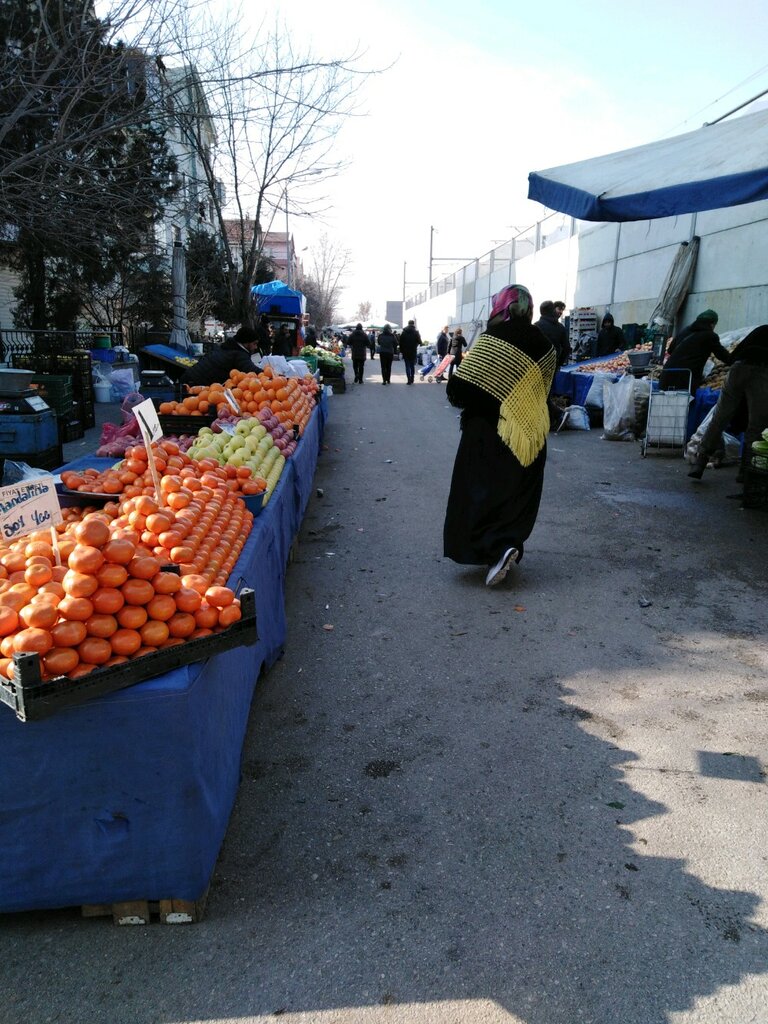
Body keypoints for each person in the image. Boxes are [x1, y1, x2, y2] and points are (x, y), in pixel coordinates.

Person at [443, 284, 557, 587]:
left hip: (489, 435)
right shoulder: (545, 346)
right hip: (531, 434)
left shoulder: (492, 341)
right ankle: (508, 545)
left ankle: (495, 549)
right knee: (517, 494)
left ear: (501, 307)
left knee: (480, 494)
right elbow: (543, 392)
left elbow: (459, 390)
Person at [688, 325, 768, 480]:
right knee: (757, 424)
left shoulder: (761, 330)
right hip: (762, 372)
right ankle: (747, 470)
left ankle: (700, 461)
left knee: (720, 417)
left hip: (738, 369)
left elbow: (732, 357)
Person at [660, 310, 732, 393]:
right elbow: (723, 355)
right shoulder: (710, 336)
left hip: (665, 377)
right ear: (712, 324)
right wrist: (737, 360)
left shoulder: (685, 331)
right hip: (684, 381)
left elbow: (670, 350)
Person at [181, 326, 259, 387]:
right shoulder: (239, 354)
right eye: (254, 344)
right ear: (246, 342)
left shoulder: (226, 347)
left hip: (188, 377)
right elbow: (253, 371)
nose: (256, 347)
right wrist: (269, 374)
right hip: (195, 385)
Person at [398, 319, 421, 384]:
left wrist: (401, 350)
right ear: (413, 324)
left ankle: (408, 380)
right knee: (412, 366)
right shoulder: (416, 332)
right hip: (413, 351)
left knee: (407, 366)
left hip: (405, 352)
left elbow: (400, 342)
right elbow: (420, 342)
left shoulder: (404, 332)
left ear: (408, 324)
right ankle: (412, 378)